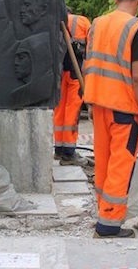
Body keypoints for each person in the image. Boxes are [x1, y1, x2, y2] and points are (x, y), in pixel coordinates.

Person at [83, 0, 138, 238]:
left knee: (103, 162)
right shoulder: (137, 27)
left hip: (99, 104)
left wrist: (91, 101)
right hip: (123, 109)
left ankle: (104, 212)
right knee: (120, 165)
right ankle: (110, 223)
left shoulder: (97, 25)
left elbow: (89, 65)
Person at [53, 8, 91, 165]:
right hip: (76, 72)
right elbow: (90, 47)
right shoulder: (82, 21)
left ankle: (59, 149)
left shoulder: (54, 22)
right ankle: (69, 152)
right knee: (72, 112)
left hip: (59, 72)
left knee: (59, 111)